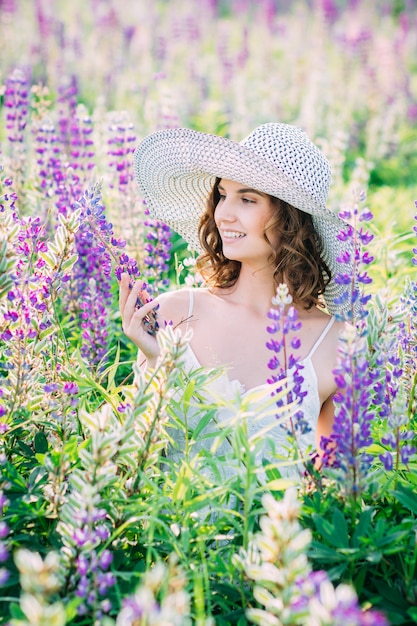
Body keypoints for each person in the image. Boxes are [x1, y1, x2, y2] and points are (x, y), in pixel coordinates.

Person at [119, 123, 354, 474]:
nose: (223, 213)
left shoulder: (336, 342)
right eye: (222, 195)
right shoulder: (176, 311)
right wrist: (153, 363)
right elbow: (130, 462)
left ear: (291, 219)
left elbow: (333, 488)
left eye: (247, 199)